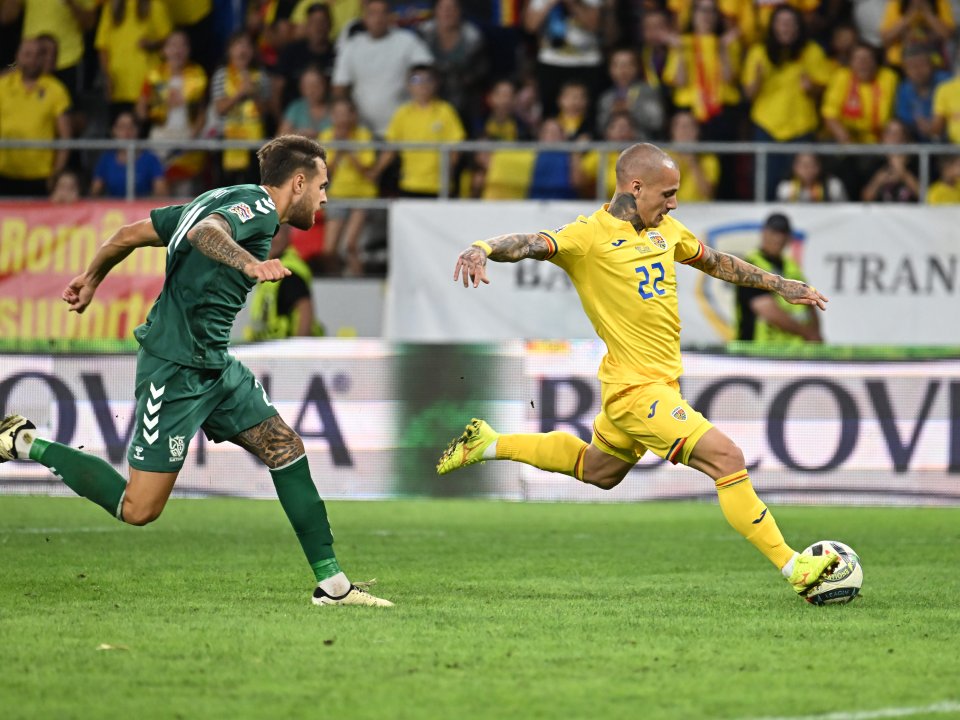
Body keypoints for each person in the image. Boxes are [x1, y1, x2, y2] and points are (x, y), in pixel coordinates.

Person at [0, 135, 392, 608]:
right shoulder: (258, 208)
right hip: (175, 368)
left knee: (284, 447)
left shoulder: (216, 197)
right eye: (323, 185)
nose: (326, 197)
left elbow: (127, 234)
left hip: (214, 365)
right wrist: (250, 262)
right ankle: (24, 439)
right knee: (138, 509)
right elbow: (207, 232)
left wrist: (92, 278)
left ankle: (333, 586)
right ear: (300, 181)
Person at [435, 142, 839, 600]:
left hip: (651, 383)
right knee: (726, 459)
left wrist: (779, 283)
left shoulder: (665, 230)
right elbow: (531, 243)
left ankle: (488, 443)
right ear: (635, 186)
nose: (674, 203)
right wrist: (482, 248)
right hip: (637, 391)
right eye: (667, 193)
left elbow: (714, 261)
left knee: (599, 469)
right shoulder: (589, 237)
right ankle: (795, 567)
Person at [330, 0, 434, 138]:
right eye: (373, 14)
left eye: (383, 13)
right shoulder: (352, 46)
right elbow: (340, 87)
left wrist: (414, 83)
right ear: (364, 18)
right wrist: (346, 116)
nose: (378, 19)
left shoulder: (407, 41)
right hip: (362, 133)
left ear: (391, 17)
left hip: (402, 130)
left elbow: (426, 74)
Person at [371, 64, 465, 197]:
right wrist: (376, 172)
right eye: (416, 80)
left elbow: (456, 147)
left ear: (436, 84)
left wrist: (448, 173)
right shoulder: (402, 113)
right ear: (408, 85)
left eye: (428, 79)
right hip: (409, 184)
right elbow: (390, 149)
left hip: (439, 186)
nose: (423, 84)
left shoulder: (445, 111)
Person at [0, 38, 72, 197]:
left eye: (37, 55)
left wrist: (56, 174)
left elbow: (65, 137)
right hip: (3, 173)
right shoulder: (2, 85)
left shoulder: (56, 89)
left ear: (42, 58)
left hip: (40, 176)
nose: (32, 60)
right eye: (27, 54)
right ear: (17, 56)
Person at [735, 212, 822, 343]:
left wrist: (815, 333)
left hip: (795, 351)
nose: (778, 238)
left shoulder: (791, 266)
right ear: (764, 233)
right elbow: (766, 309)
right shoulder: (751, 265)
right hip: (758, 351)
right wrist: (807, 333)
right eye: (774, 232)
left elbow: (810, 302)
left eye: (782, 233)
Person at [245, 226, 324, 339]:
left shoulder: (288, 271)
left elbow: (305, 311)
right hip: (273, 350)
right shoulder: (272, 266)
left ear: (288, 235)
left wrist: (299, 351)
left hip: (286, 351)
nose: (271, 239)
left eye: (276, 233)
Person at [90, 111, 168, 198]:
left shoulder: (151, 159)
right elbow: (94, 194)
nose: (126, 132)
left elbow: (161, 195)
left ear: (137, 130)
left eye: (131, 127)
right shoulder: (106, 159)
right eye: (121, 127)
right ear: (113, 130)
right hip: (113, 210)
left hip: (143, 209)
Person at [595, 47, 664, 141]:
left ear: (637, 67)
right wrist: (611, 112)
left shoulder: (648, 92)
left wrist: (632, 108)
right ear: (610, 69)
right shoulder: (606, 97)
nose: (623, 70)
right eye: (618, 65)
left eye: (628, 65)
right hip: (612, 152)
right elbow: (600, 128)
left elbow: (657, 122)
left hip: (643, 148)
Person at [895, 43, 949, 141]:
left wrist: (935, 125)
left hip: (948, 140)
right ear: (905, 70)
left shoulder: (946, 82)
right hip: (916, 140)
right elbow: (904, 119)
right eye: (912, 66)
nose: (917, 70)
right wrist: (919, 124)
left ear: (932, 64)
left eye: (922, 64)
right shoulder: (904, 88)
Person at [775, 152, 848, 202]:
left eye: (812, 165)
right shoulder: (785, 187)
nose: (807, 170)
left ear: (819, 166)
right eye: (803, 165)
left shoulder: (833, 185)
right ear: (794, 167)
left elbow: (843, 210)